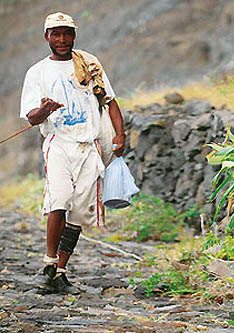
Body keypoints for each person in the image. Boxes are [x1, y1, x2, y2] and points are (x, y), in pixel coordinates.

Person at [19, 12, 126, 294]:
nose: (62, 39)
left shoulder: (89, 65)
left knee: (79, 211)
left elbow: (110, 101)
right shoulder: (37, 72)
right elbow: (31, 118)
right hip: (59, 144)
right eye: (56, 34)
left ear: (74, 36)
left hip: (88, 146)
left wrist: (120, 133)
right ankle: (48, 263)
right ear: (47, 38)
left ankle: (61, 272)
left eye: (67, 33)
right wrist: (46, 109)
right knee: (60, 200)